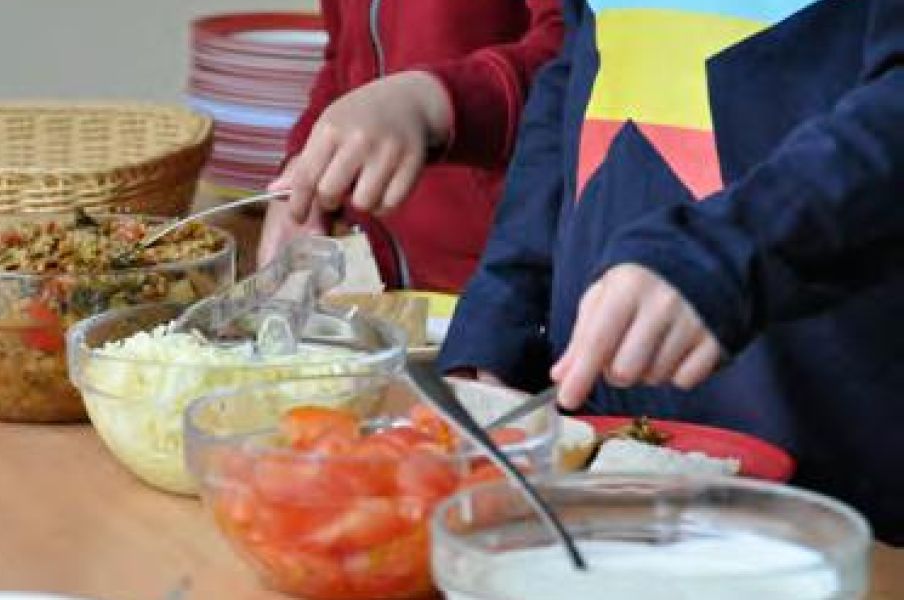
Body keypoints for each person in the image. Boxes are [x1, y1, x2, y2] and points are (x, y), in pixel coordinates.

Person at [440, 0, 904, 544]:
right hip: (603, 464)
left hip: (836, 471)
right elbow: (576, 72)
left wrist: (728, 249)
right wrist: (502, 318)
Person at [256, 0, 564, 293]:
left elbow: (578, 55)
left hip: (513, 285)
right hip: (391, 283)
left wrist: (433, 100)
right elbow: (343, 59)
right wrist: (305, 165)